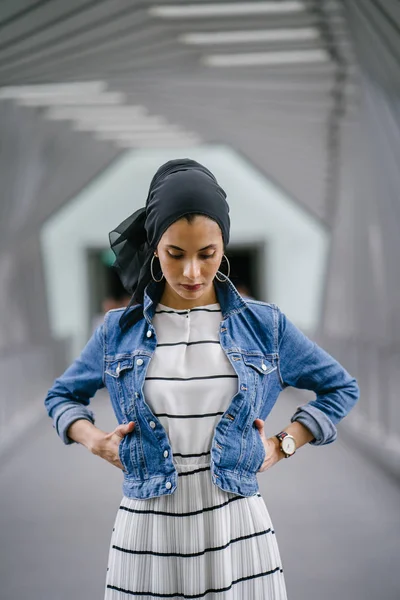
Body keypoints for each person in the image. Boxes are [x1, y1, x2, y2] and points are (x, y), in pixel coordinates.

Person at [44, 159, 359, 599]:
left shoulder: (264, 326)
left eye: (207, 254)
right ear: (154, 248)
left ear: (223, 247)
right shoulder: (118, 331)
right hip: (147, 536)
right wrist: (94, 440)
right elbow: (61, 396)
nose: (192, 272)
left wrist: (284, 444)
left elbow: (341, 387)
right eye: (176, 254)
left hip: (237, 533)